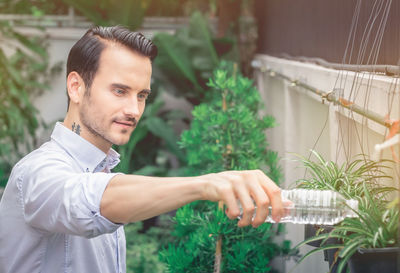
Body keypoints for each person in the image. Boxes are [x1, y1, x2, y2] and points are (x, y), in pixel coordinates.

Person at [0, 26, 283, 273]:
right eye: (120, 91)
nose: (133, 110)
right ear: (76, 87)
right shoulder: (36, 173)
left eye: (142, 95)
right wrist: (207, 184)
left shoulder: (102, 169)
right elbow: (85, 201)